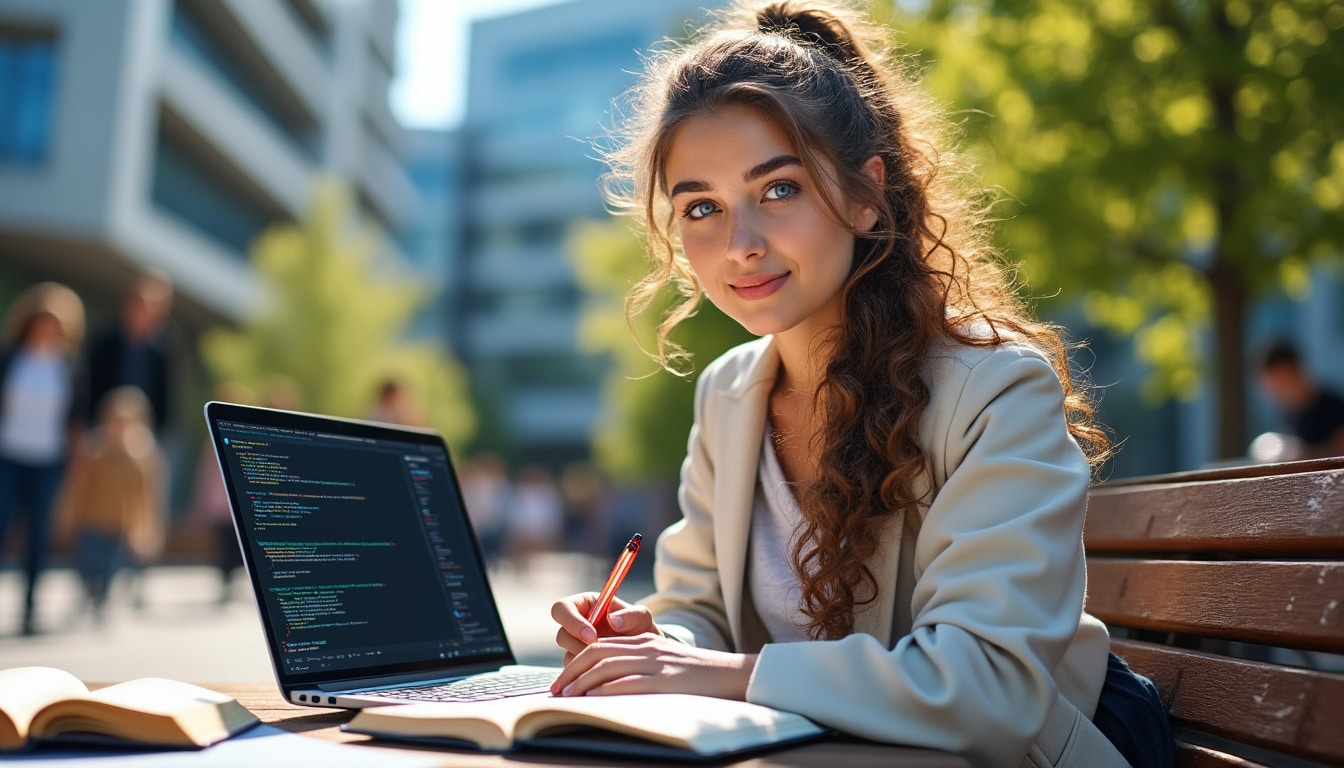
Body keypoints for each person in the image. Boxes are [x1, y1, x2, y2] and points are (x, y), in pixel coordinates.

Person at [549, 3, 1173, 766]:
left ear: (864, 194)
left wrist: (729, 676)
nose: (740, 245)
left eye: (778, 189)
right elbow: (697, 616)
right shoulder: (728, 395)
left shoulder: (997, 390)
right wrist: (650, 644)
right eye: (702, 207)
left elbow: (990, 688)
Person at [0, 282, 85, 635]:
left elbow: (75, 420)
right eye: (43, 319)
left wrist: (78, 463)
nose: (49, 327)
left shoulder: (68, 366)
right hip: (8, 455)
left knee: (38, 535)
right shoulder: (11, 358)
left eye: (56, 322)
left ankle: (30, 606)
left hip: (48, 460)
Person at [55, 386, 163, 624]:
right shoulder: (92, 451)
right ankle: (87, 592)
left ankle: (101, 600)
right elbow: (77, 488)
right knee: (86, 565)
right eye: (115, 421)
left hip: (119, 526)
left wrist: (146, 530)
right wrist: (67, 516)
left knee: (109, 570)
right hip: (91, 521)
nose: (120, 428)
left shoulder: (142, 457)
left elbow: (145, 499)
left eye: (126, 422)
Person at [1257, 339, 1344, 460]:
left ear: (1292, 370)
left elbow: (1340, 451)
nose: (1273, 389)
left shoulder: (1333, 407)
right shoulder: (1285, 413)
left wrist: (1303, 455)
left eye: (1277, 380)